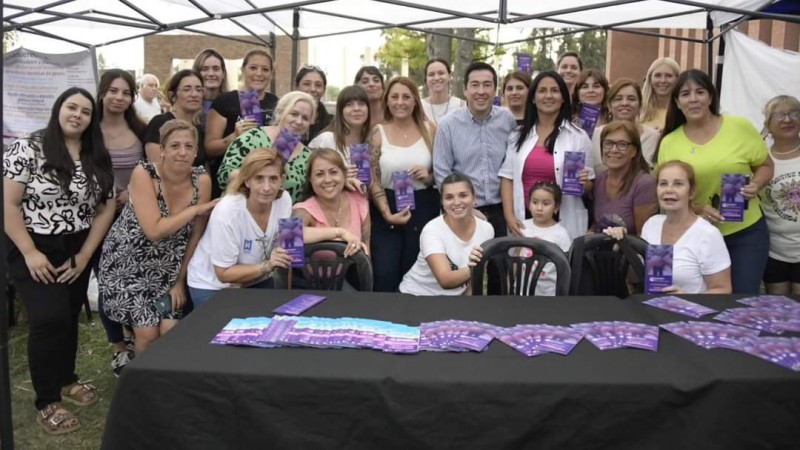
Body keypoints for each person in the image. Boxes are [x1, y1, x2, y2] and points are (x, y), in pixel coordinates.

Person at [4, 87, 115, 434]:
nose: (77, 115)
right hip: (32, 244)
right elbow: (7, 204)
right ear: (58, 109)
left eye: (85, 111)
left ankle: (67, 380)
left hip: (76, 246)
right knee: (49, 319)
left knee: (67, 316)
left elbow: (106, 206)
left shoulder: (96, 153)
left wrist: (84, 256)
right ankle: (47, 400)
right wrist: (29, 252)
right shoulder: (29, 146)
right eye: (72, 107)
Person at [99, 119, 216, 356]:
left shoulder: (201, 179)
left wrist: (179, 280)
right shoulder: (144, 173)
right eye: (174, 146)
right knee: (149, 334)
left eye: (189, 146)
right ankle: (140, 385)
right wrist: (194, 210)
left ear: (196, 152)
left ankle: (161, 380)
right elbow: (154, 230)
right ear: (161, 150)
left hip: (168, 270)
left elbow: (195, 234)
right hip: (127, 267)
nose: (182, 152)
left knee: (170, 329)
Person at [656, 69, 772, 294]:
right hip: (696, 233)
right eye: (686, 94)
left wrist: (756, 185)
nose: (693, 99)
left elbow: (766, 165)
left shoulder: (740, 127)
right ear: (677, 102)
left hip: (745, 232)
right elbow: (666, 192)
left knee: (741, 299)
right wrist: (697, 209)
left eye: (700, 92)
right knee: (701, 299)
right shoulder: (670, 142)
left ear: (710, 96)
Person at [187, 150, 293, 307]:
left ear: (281, 181)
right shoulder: (228, 211)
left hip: (257, 278)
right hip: (213, 285)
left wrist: (287, 299)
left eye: (273, 179)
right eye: (259, 179)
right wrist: (268, 265)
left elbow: (287, 254)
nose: (266, 187)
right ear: (247, 181)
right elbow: (223, 273)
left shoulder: (284, 200)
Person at [500, 71, 594, 241]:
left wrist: (584, 182)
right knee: (525, 266)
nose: (548, 96)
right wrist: (509, 215)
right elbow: (507, 177)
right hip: (525, 221)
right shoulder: (517, 135)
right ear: (533, 98)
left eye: (555, 90)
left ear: (563, 97)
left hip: (563, 221)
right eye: (542, 91)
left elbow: (590, 187)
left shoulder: (578, 136)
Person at [96, 69, 147, 376]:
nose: (119, 97)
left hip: (134, 218)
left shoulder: (139, 129)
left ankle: (133, 335)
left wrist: (133, 192)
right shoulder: (89, 129)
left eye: (126, 92)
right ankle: (118, 346)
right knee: (106, 283)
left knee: (133, 279)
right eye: (113, 90)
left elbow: (150, 165)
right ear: (102, 91)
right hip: (97, 217)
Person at [368, 76, 439, 292]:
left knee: (417, 272)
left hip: (424, 205)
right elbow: (371, 177)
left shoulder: (431, 129)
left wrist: (428, 177)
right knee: (385, 272)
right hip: (386, 207)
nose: (401, 102)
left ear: (416, 101)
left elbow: (442, 170)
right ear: (387, 101)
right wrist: (386, 212)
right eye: (395, 97)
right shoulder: (377, 132)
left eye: (406, 97)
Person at [635, 161, 731, 294]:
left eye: (678, 184)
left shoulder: (708, 234)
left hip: (689, 313)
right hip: (651, 309)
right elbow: (636, 275)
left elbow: (723, 289)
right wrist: (620, 239)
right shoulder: (651, 225)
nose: (669, 190)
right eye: (663, 184)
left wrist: (687, 299)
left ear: (691, 192)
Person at [399, 173, 494, 296]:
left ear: (474, 198)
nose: (456, 202)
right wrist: (474, 268)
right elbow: (445, 280)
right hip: (417, 296)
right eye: (449, 197)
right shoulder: (432, 230)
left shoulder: (487, 229)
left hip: (454, 300)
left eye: (463, 195)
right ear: (442, 202)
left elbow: (472, 283)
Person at [205, 49, 279, 196]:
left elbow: (283, 146)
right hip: (233, 183)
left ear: (271, 74)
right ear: (243, 70)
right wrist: (233, 137)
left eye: (265, 69)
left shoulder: (276, 102)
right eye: (253, 68)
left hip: (267, 184)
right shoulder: (225, 101)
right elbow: (209, 148)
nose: (259, 73)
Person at [217, 91, 316, 200]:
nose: (298, 121)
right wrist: (258, 177)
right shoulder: (252, 137)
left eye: (305, 118)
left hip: (284, 215)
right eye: (294, 114)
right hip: (241, 210)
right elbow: (223, 176)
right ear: (280, 112)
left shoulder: (309, 156)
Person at [293, 148, 371, 257]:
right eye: (319, 174)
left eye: (333, 172)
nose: (328, 180)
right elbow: (291, 236)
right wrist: (341, 233)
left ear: (344, 174)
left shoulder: (359, 200)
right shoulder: (303, 209)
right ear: (310, 179)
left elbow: (367, 249)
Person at [759, 95, 800, 295]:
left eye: (794, 113)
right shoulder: (760, 160)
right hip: (774, 253)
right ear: (767, 123)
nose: (787, 120)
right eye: (779, 115)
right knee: (780, 313)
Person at [592, 121, 658, 235]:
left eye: (622, 144)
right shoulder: (599, 179)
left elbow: (643, 237)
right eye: (608, 143)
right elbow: (597, 225)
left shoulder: (644, 184)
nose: (613, 150)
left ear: (634, 151)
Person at [591, 78, 660, 171]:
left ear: (640, 104)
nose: (625, 103)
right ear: (609, 105)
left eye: (631, 99)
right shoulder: (594, 136)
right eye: (618, 99)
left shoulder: (654, 138)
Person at [308, 85, 370, 188]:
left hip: (363, 202)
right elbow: (309, 176)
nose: (356, 109)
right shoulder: (326, 140)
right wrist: (339, 176)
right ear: (340, 111)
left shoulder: (372, 141)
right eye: (349, 105)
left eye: (361, 104)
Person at [519, 182, 572, 296]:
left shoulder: (561, 234)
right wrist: (512, 281)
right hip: (522, 292)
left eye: (546, 203)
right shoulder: (523, 227)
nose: (539, 208)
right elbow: (517, 255)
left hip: (549, 293)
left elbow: (565, 268)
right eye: (534, 202)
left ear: (556, 207)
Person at [144, 70, 206, 167]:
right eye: (187, 89)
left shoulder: (198, 129)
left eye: (199, 90)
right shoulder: (160, 123)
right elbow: (158, 167)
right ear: (172, 96)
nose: (194, 94)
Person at [640, 57, 680, 131]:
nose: (663, 80)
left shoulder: (683, 110)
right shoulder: (638, 109)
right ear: (650, 78)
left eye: (669, 76)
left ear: (677, 79)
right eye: (658, 75)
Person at [421, 58, 465, 125]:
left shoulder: (462, 106)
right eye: (431, 74)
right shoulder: (419, 107)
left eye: (441, 73)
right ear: (426, 79)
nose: (436, 78)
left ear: (449, 76)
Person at [296, 65, 333, 143]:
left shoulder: (332, 124)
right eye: (306, 84)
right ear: (296, 87)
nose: (313, 89)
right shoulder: (285, 117)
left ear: (324, 90)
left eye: (318, 85)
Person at [572, 68, 610, 137]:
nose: (590, 91)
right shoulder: (568, 119)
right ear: (577, 93)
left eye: (596, 86)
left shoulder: (613, 117)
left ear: (605, 91)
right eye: (585, 87)